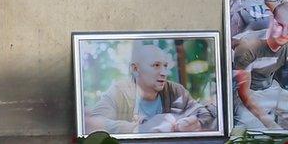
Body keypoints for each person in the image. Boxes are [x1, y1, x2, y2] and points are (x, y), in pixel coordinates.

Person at [85, 44, 214, 134]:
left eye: (165, 66)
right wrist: (141, 128)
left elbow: (204, 114)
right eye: (156, 65)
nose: (164, 72)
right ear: (135, 69)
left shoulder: (175, 90)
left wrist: (196, 123)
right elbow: (92, 123)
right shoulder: (120, 91)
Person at [232, 0, 288, 131]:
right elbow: (244, 94)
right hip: (243, 94)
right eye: (279, 25)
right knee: (255, 133)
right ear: (272, 20)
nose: (283, 33)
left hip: (271, 89)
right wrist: (271, 125)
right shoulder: (248, 46)